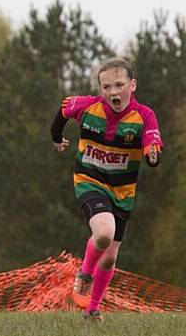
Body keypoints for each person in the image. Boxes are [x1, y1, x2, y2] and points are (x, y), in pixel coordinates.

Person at [50, 57, 162, 321]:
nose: (113, 92)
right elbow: (63, 111)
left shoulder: (144, 116)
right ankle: (84, 275)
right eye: (106, 87)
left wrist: (152, 156)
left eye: (119, 85)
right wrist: (57, 138)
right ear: (100, 89)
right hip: (90, 180)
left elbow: (152, 146)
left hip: (123, 192)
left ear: (132, 85)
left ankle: (92, 310)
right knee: (104, 232)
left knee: (110, 258)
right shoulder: (87, 107)